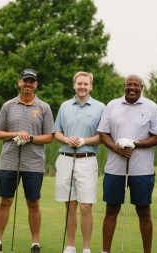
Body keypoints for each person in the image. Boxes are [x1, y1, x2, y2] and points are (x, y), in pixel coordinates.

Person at [0, 68, 55, 253]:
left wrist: (30, 138)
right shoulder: (8, 106)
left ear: (36, 85)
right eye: (25, 80)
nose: (28, 84)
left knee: (33, 203)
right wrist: (16, 134)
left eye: (31, 81)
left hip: (34, 163)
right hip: (9, 161)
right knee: (5, 201)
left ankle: (35, 244)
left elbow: (49, 136)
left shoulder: (44, 107)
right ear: (19, 82)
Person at [97, 74, 157, 253]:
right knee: (111, 210)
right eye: (129, 85)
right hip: (114, 169)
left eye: (136, 85)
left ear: (142, 87)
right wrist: (117, 148)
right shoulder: (112, 105)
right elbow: (103, 134)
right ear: (124, 86)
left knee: (144, 212)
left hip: (142, 170)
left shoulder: (151, 107)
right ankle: (106, 251)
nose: (132, 88)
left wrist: (136, 143)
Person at [54, 71, 105, 253]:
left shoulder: (100, 107)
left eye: (86, 84)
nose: (82, 87)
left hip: (87, 160)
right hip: (66, 159)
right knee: (70, 205)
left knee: (85, 205)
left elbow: (103, 136)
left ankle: (86, 248)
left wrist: (84, 141)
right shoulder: (65, 106)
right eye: (79, 84)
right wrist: (67, 140)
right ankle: (70, 246)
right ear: (74, 85)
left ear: (91, 86)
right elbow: (56, 132)